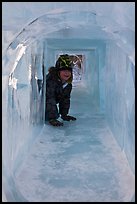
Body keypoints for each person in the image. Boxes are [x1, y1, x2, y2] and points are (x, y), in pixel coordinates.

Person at [45, 54, 76, 126]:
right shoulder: (51, 81)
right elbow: (49, 99)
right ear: (58, 71)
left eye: (69, 70)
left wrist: (64, 114)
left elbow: (65, 99)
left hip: (49, 107)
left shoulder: (67, 84)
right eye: (64, 70)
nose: (67, 73)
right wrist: (52, 118)